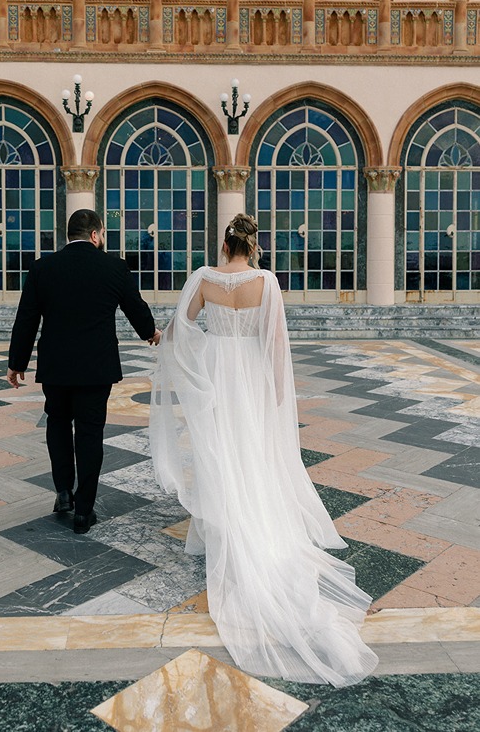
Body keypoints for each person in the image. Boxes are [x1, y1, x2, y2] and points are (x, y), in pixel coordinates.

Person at [149, 214, 379, 687]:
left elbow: (180, 327)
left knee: (220, 452)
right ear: (252, 247)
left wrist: (170, 350)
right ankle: (250, 520)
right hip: (251, 372)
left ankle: (225, 524)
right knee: (252, 450)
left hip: (216, 372)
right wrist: (278, 393)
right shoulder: (267, 282)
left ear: (224, 245)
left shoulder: (204, 278)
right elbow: (276, 343)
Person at [7, 209, 161, 534]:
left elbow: (27, 319)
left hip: (56, 367)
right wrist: (150, 332)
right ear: (95, 235)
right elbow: (136, 307)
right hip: (96, 368)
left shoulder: (42, 268)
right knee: (90, 434)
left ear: (69, 234)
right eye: (102, 234)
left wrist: (16, 363)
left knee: (58, 424)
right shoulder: (114, 267)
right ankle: (84, 510)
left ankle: (63, 492)